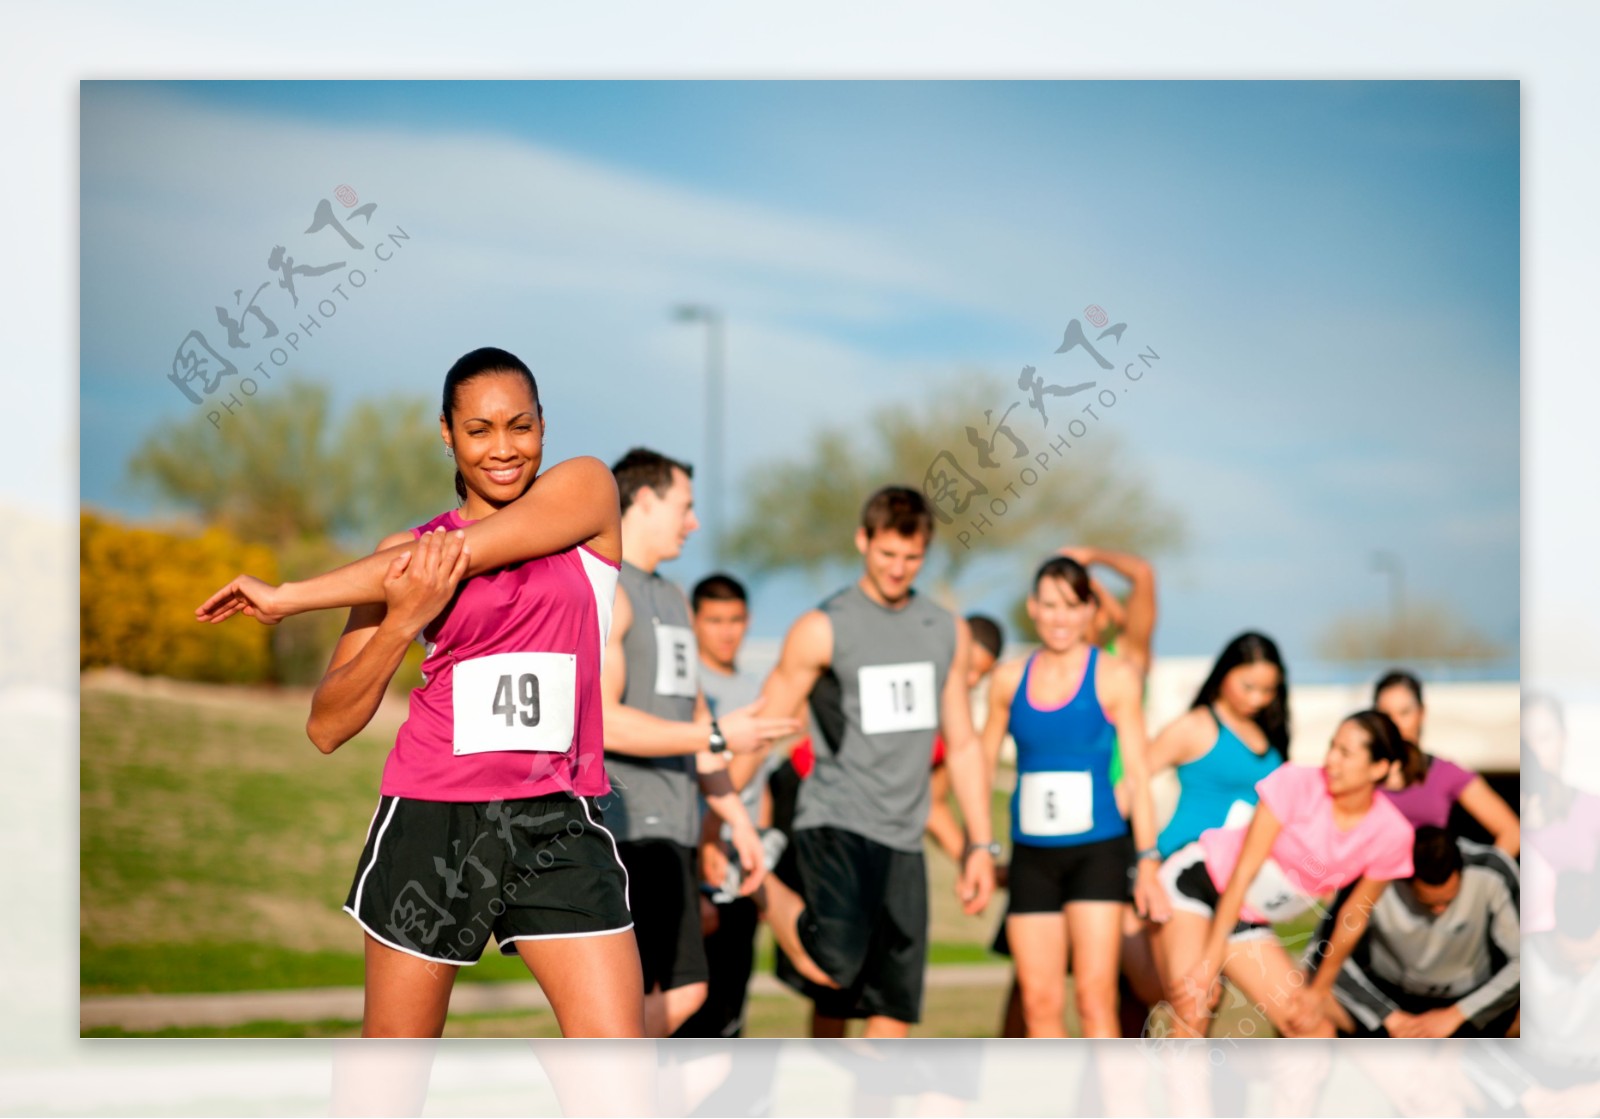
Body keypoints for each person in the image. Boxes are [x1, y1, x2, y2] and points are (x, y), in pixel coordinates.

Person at [194, 346, 642, 1037]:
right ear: (446, 433)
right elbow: (326, 727)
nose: (503, 448)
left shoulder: (585, 493)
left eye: (520, 427)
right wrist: (402, 617)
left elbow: (461, 553)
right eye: (479, 429)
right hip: (434, 819)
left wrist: (289, 596)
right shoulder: (399, 557)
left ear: (544, 427)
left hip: (556, 819)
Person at [757, 485, 998, 1038]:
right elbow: (769, 723)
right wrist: (725, 817)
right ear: (863, 540)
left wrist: (980, 846)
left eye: (912, 558)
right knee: (833, 969)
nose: (898, 569)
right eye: (887, 554)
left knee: (895, 1008)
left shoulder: (945, 630)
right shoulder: (823, 627)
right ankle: (765, 888)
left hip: (904, 837)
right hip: (836, 823)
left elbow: (961, 743)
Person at [600, 449, 798, 1038]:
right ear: (644, 501)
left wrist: (737, 820)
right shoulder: (609, 591)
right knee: (644, 1002)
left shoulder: (675, 600)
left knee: (686, 991)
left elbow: (699, 718)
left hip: (675, 836)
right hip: (622, 830)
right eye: (685, 508)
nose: (694, 523)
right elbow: (602, 721)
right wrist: (716, 734)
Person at [980, 555, 1169, 1037]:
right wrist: (979, 850)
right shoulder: (1007, 680)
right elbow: (978, 769)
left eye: (1071, 605)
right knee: (1040, 1002)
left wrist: (1147, 861)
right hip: (1032, 859)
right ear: (1032, 608)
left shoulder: (1115, 677)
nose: (1059, 617)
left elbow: (1140, 777)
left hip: (1097, 854)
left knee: (1094, 1000)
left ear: (1089, 610)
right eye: (1049, 605)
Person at [1154, 710, 1415, 1039]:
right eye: (1332, 746)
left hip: (1247, 919)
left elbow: (1354, 916)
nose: (1331, 760)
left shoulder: (1392, 833)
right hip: (1198, 883)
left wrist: (1318, 990)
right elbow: (1243, 872)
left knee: (1315, 1032)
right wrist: (1208, 966)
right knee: (1194, 1006)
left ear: (1379, 768)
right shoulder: (1295, 783)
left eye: (1345, 753)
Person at [674, 572, 791, 1039]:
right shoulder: (685, 690)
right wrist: (700, 881)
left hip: (740, 868)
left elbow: (759, 787)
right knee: (686, 1011)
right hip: (692, 860)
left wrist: (758, 864)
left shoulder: (758, 691)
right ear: (696, 623)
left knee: (730, 1012)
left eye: (736, 620)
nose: (727, 630)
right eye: (716, 619)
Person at [1317, 826, 1519, 1038]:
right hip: (1388, 996)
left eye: (1449, 901)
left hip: (1470, 1000)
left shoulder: (1494, 871)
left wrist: (1458, 1014)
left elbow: (1524, 961)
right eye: (1429, 904)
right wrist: (1387, 1016)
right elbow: (1324, 952)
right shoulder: (1373, 877)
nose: (1440, 911)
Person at [1150, 632, 1289, 859]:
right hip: (1184, 858)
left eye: (1268, 690)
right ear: (1223, 673)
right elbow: (1131, 783)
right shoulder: (1194, 726)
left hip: (1240, 869)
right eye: (1248, 686)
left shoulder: (1270, 730)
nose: (1257, 699)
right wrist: (1143, 853)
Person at [1372, 669, 1520, 856]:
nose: (1395, 724)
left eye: (1404, 712)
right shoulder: (1360, 772)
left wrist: (1483, 877)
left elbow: (1512, 832)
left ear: (1421, 713)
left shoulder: (1445, 772)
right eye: (1386, 715)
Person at [924, 613, 1005, 863]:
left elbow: (932, 806)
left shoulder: (953, 725)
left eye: (981, 675)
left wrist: (975, 860)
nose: (971, 681)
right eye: (969, 668)